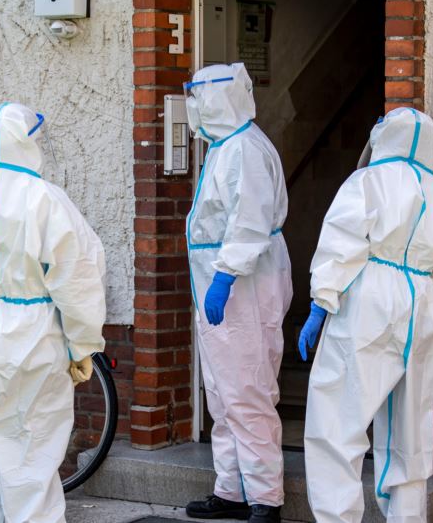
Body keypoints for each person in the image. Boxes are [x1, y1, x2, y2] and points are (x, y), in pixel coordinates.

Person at [298, 108, 433, 523]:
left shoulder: (367, 181)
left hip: (370, 295)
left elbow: (342, 243)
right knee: (410, 429)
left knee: (337, 420)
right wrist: (429, 308)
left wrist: (321, 300)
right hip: (422, 300)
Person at [0, 103, 107, 523]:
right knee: (29, 462)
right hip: (29, 344)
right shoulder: (44, 199)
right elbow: (77, 276)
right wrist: (83, 343)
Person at [182, 63, 292, 523]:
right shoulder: (225, 147)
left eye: (197, 98)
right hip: (224, 283)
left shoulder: (243, 149)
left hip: (243, 285)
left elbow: (248, 223)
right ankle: (231, 489)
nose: (192, 107)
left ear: (216, 99)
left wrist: (225, 276)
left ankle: (265, 498)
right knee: (222, 393)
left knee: (247, 389)